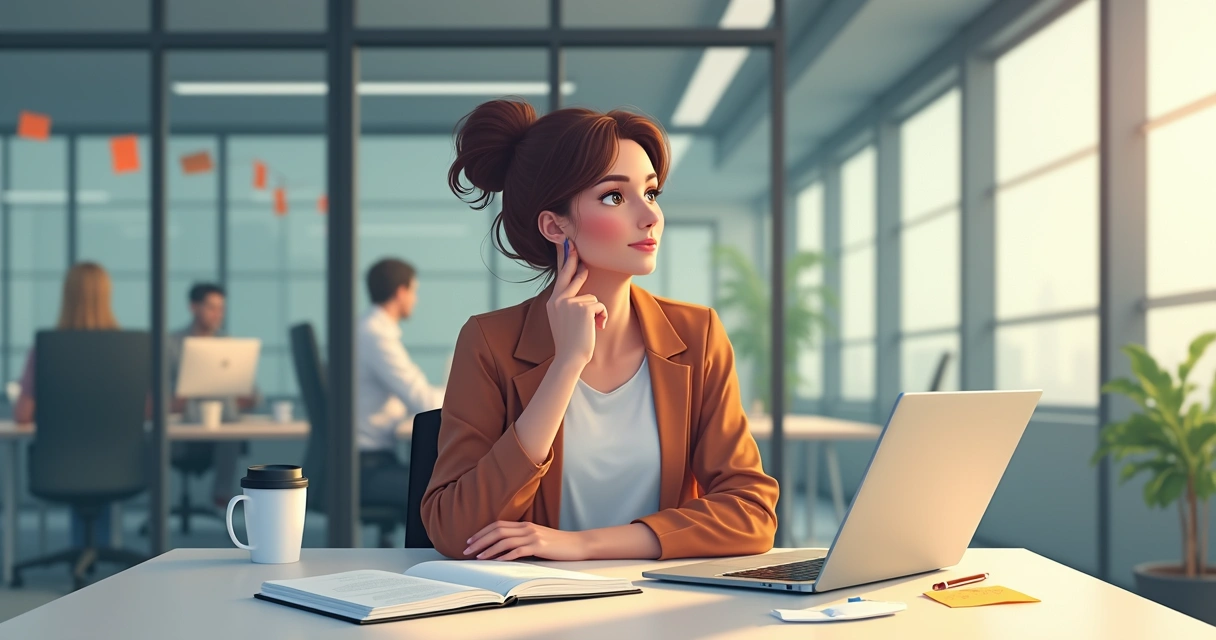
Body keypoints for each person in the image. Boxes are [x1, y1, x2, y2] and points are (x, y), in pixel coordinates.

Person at [422, 99, 779, 562]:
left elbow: (750, 512)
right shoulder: (490, 342)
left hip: (663, 605)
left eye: (651, 193)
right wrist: (566, 364)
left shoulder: (697, 335)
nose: (649, 216)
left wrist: (583, 545)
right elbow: (454, 531)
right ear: (554, 225)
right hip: (533, 610)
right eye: (614, 196)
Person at [13, 262, 121, 548]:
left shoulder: (45, 348)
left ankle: (82, 556)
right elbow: (148, 411)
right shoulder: (128, 350)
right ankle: (101, 555)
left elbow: (22, 415)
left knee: (80, 473)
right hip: (119, 465)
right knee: (103, 473)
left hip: (57, 467)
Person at [357, 258, 445, 518]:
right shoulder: (375, 336)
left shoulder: (366, 329)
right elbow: (423, 400)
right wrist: (465, 393)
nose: (415, 300)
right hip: (366, 469)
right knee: (442, 492)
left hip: (368, 460)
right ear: (401, 292)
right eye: (414, 291)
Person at [166, 283, 256, 510]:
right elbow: (158, 395)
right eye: (211, 307)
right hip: (184, 428)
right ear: (194, 307)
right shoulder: (171, 344)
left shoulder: (227, 345)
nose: (217, 314)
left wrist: (241, 394)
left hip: (221, 426)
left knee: (231, 428)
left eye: (221, 308)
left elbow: (253, 395)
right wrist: (178, 399)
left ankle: (222, 493)